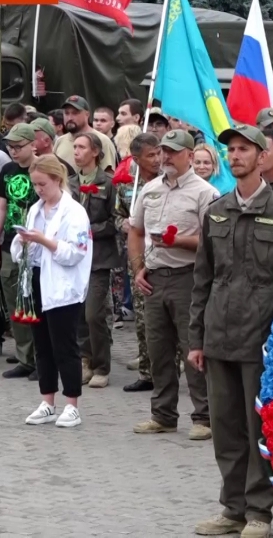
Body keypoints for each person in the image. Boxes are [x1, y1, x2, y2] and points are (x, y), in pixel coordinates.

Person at [189, 125, 273, 538]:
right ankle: (232, 509)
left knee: (259, 433)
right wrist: (196, 340)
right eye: (231, 150)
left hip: (263, 342)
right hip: (220, 337)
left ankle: (259, 513)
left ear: (263, 157)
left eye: (244, 149)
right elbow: (202, 280)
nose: (235, 155)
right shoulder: (217, 210)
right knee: (225, 430)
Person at [131, 130, 220, 440]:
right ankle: (163, 415)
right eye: (162, 151)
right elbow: (135, 230)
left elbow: (212, 243)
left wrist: (179, 241)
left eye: (172, 151)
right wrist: (138, 267)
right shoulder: (150, 189)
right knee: (158, 351)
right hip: (154, 278)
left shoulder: (204, 193)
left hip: (188, 278)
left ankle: (204, 417)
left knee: (191, 349)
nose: (165, 157)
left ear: (189, 155)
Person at [14, 155, 93, 429]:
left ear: (57, 180)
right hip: (37, 281)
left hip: (63, 288)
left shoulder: (74, 212)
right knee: (42, 345)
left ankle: (72, 404)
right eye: (35, 184)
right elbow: (24, 250)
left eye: (42, 184)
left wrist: (44, 240)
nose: (38, 190)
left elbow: (75, 253)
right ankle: (47, 401)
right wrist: (24, 240)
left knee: (65, 346)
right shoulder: (35, 209)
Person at [71, 133, 121, 389]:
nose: (76, 151)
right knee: (77, 312)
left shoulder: (108, 184)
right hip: (72, 259)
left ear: (95, 152)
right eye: (75, 147)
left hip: (99, 258)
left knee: (94, 314)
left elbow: (116, 220)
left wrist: (89, 230)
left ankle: (102, 365)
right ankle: (85, 359)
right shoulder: (69, 183)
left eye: (81, 147)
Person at [0, 124, 41, 380]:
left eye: (18, 146)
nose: (12, 151)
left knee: (37, 302)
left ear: (33, 144)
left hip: (37, 246)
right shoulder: (8, 170)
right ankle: (25, 357)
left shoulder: (42, 169)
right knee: (15, 301)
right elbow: (2, 204)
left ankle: (42, 358)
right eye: (9, 146)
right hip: (11, 243)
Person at [117, 133, 162, 392]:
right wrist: (121, 223)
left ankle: (168, 369)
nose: (156, 160)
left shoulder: (168, 183)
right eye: (150, 155)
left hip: (165, 256)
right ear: (137, 159)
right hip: (138, 257)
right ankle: (147, 373)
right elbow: (117, 215)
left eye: (158, 154)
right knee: (143, 319)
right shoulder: (127, 186)